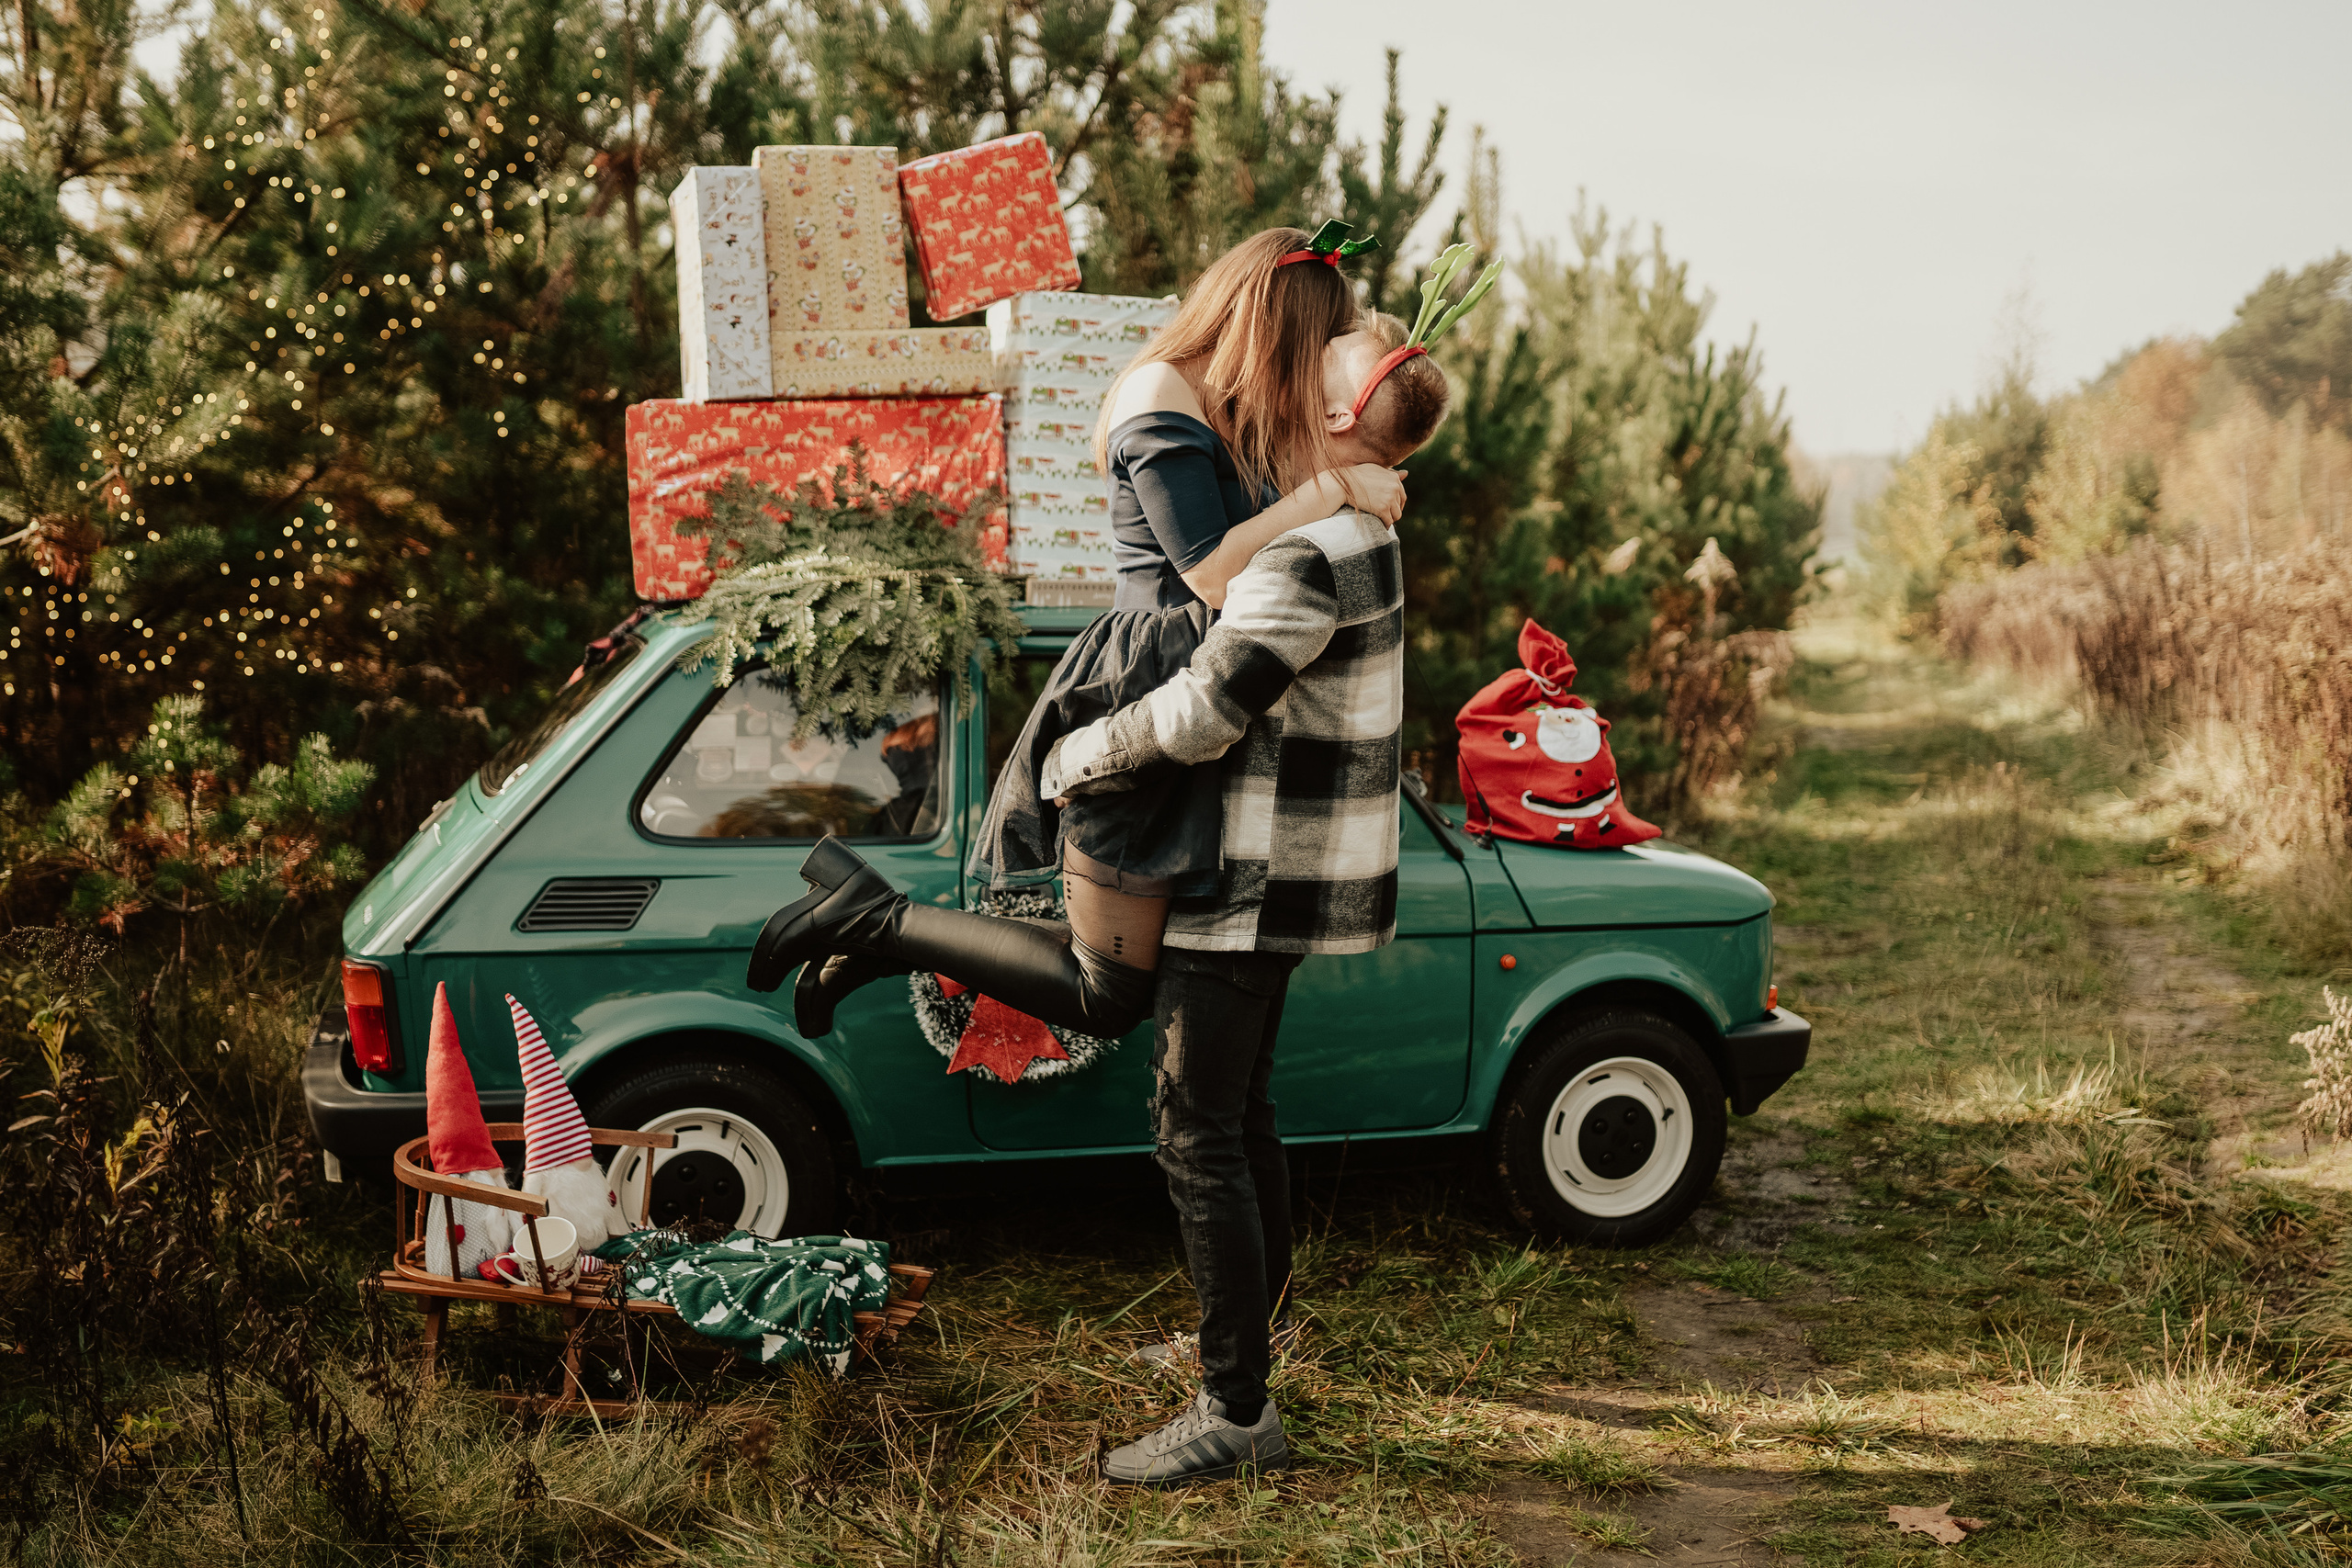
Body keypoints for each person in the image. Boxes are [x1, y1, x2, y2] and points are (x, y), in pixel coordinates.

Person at [742, 226, 1431, 1036]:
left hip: (1199, 687)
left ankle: (876, 936)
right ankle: (874, 919)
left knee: (1115, 972)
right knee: (1106, 991)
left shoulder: (1245, 407)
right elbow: (1209, 572)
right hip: (1148, 678)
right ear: (1269, 323)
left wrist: (1367, 465)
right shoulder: (1160, 391)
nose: (1311, 369)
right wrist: (1331, 490)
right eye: (1312, 343)